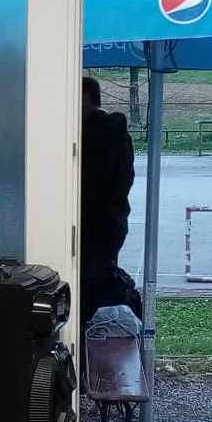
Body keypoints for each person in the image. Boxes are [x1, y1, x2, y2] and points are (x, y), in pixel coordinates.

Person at [79, 75, 139, 322]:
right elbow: (126, 178)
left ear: (85, 98)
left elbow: (90, 184)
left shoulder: (92, 136)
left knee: (89, 288)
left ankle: (89, 333)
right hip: (113, 222)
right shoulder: (119, 135)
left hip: (94, 225)